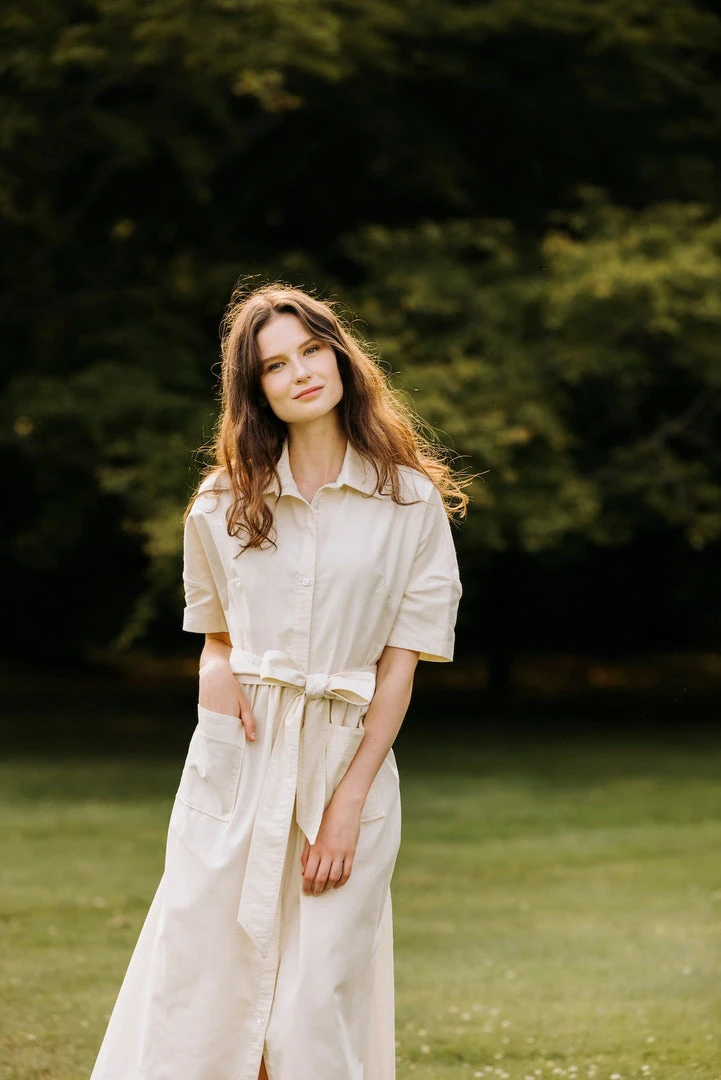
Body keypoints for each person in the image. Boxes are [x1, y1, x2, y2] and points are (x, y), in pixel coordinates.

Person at [89, 284, 466, 1080]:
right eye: (276, 365)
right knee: (209, 996)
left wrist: (347, 806)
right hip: (237, 762)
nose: (301, 373)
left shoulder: (409, 501)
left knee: (310, 1010)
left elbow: (398, 668)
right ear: (255, 390)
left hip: (344, 763)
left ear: (340, 356)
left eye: (311, 350)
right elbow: (214, 637)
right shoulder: (222, 498)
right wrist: (215, 679)